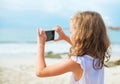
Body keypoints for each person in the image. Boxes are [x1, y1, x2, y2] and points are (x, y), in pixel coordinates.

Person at [36, 11, 110, 84]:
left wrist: (40, 44)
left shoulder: (78, 62)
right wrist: (64, 37)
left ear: (80, 35)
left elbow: (41, 72)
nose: (70, 34)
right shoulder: (99, 54)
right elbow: (83, 47)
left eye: (71, 32)